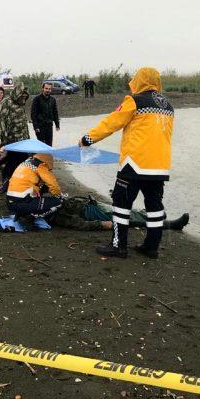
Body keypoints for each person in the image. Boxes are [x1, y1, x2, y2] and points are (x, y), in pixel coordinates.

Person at [78, 67, 174, 259]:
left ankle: (118, 246)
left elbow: (112, 123)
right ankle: (151, 247)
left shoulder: (134, 101)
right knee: (154, 208)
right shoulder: (168, 106)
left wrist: (87, 139)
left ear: (140, 80)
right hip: (159, 167)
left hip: (134, 165)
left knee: (121, 205)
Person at [51, 195, 189, 232]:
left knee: (127, 211)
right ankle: (171, 224)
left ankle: (152, 215)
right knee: (129, 218)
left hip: (92, 205)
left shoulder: (49, 205)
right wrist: (101, 225)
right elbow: (78, 224)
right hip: (94, 213)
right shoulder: (57, 216)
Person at [0, 83, 30, 191]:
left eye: (24, 97)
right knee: (7, 163)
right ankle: (5, 184)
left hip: (22, 140)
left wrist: (28, 139)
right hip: (10, 140)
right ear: (17, 95)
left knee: (22, 163)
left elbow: (23, 123)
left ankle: (17, 184)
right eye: (21, 97)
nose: (23, 99)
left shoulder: (21, 104)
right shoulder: (6, 102)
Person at [6, 153, 63, 222]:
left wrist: (46, 189)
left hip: (10, 202)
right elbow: (53, 185)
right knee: (57, 202)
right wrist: (58, 195)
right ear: (48, 162)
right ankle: (28, 217)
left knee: (40, 191)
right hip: (23, 202)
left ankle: (22, 214)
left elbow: (33, 185)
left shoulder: (26, 163)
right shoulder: (41, 166)